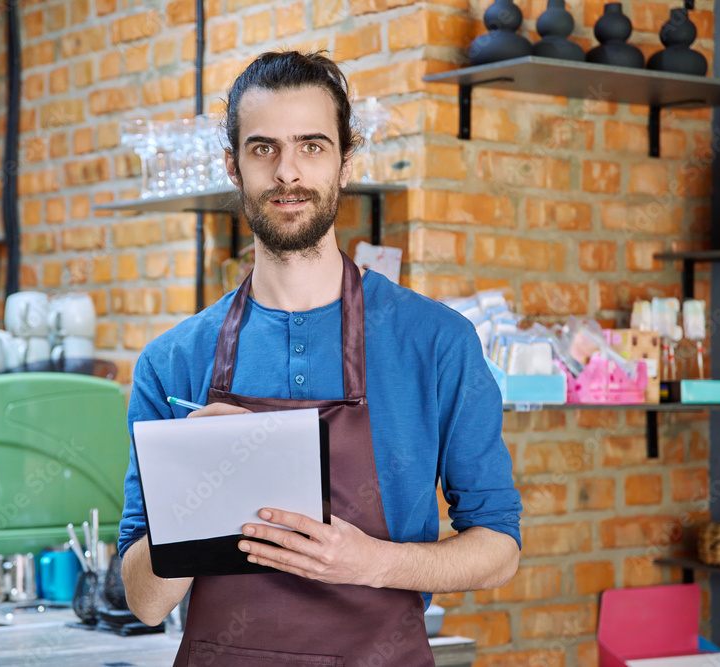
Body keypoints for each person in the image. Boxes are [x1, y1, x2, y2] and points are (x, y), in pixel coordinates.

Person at [118, 50, 522, 666]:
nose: (287, 173)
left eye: (311, 146)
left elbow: (499, 548)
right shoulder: (173, 361)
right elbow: (143, 601)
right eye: (263, 149)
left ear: (344, 161)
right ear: (233, 167)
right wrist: (196, 495)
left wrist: (374, 563)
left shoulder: (435, 341)